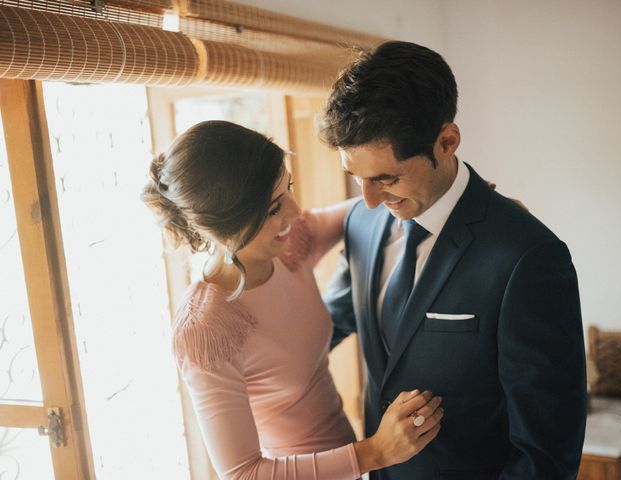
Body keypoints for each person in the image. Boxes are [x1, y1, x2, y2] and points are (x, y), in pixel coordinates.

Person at [319, 41, 587, 479]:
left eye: (385, 178)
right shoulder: (361, 226)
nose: (367, 200)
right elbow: (323, 330)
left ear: (447, 141)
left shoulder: (528, 258)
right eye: (356, 177)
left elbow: (546, 454)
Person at [141, 120, 444, 479]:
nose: (295, 211)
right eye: (272, 209)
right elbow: (242, 473)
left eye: (288, 188)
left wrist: (447, 205)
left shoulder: (287, 245)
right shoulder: (206, 328)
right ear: (222, 226)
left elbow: (364, 211)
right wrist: (374, 453)